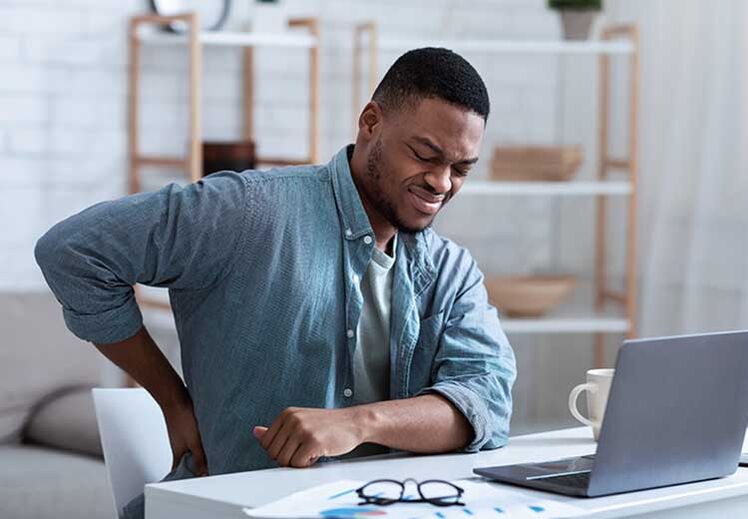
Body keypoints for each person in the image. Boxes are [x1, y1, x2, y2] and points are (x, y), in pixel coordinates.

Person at [34, 47, 516, 518]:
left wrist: (357, 423)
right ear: (371, 122)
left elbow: (486, 404)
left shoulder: (453, 272)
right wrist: (172, 399)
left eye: (460, 169)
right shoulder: (250, 211)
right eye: (425, 155)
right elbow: (73, 252)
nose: (441, 183)